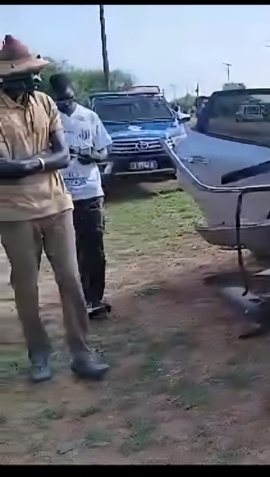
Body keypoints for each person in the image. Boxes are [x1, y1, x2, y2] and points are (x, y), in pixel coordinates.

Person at [0, 35, 109, 382]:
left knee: (71, 282)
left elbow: (62, 156)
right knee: (27, 288)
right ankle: (40, 356)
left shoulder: (45, 103)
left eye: (34, 73)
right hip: (14, 213)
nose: (34, 79)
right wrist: (41, 162)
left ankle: (81, 353)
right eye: (26, 74)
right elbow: (2, 169)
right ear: (6, 78)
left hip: (58, 207)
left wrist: (28, 164)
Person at [50, 73, 113, 320]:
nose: (65, 104)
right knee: (68, 252)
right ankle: (77, 302)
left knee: (94, 248)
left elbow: (105, 150)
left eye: (68, 98)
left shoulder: (89, 117)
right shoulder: (48, 120)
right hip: (60, 195)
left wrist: (94, 157)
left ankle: (95, 299)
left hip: (90, 193)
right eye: (59, 101)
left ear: (74, 92)